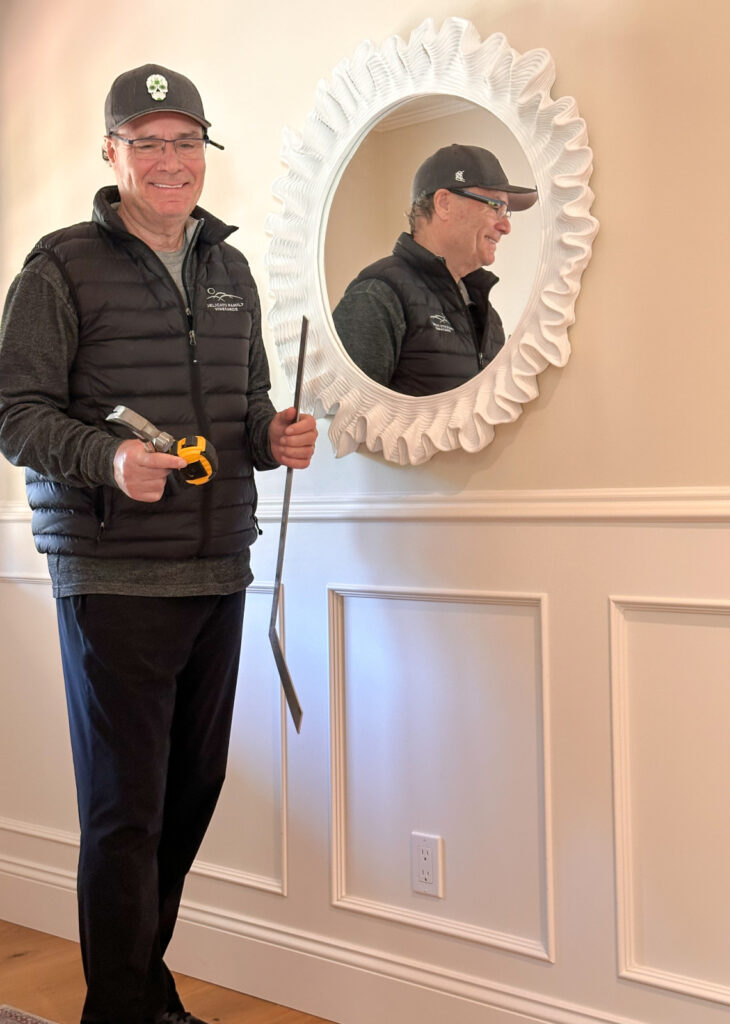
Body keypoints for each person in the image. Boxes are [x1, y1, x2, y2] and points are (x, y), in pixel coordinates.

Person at [0, 64, 317, 1024]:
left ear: (204, 153)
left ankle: (141, 984)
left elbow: (247, 410)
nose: (169, 160)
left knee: (189, 794)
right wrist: (108, 460)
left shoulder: (231, 271)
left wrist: (273, 437)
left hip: (218, 564)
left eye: (185, 142)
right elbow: (16, 414)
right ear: (113, 154)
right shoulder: (59, 266)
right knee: (125, 811)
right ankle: (123, 1008)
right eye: (148, 142)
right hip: (112, 573)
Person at [332, 143, 539, 397]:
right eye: (495, 206)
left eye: (506, 211)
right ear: (443, 203)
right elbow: (345, 424)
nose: (505, 226)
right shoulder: (377, 297)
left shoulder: (487, 315)